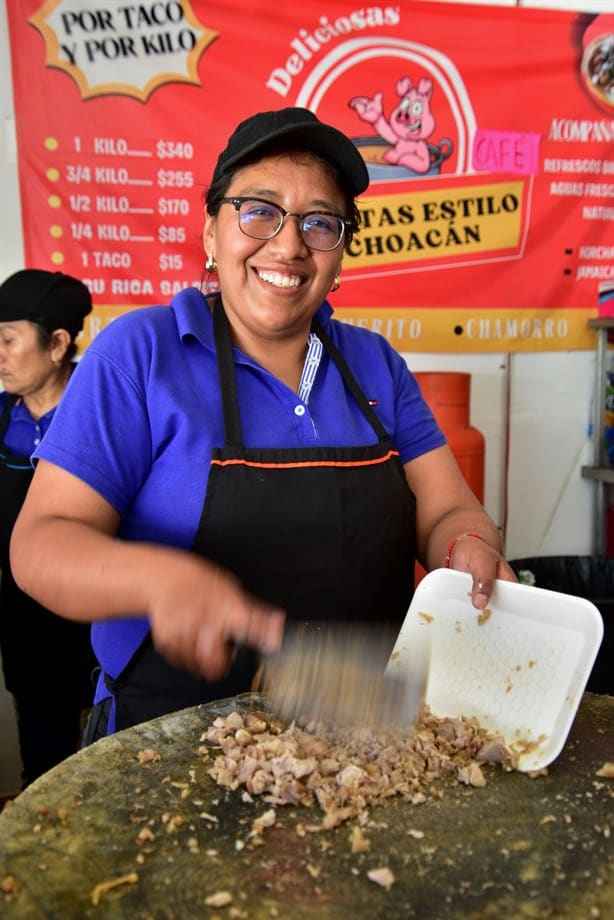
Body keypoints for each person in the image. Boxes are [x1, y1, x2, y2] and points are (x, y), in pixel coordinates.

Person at [9, 108, 517, 742]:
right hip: (171, 744)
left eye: (320, 223)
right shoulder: (141, 354)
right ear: (211, 233)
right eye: (259, 210)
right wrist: (160, 580)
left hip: (361, 739)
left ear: (339, 256)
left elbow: (447, 512)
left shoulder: (375, 365)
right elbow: (40, 545)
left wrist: (465, 547)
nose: (288, 244)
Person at [0, 268, 96, 786]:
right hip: (24, 635)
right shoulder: (1, 419)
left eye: (8, 339)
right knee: (42, 775)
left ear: (57, 343)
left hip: (95, 631)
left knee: (103, 772)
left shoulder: (101, 418)